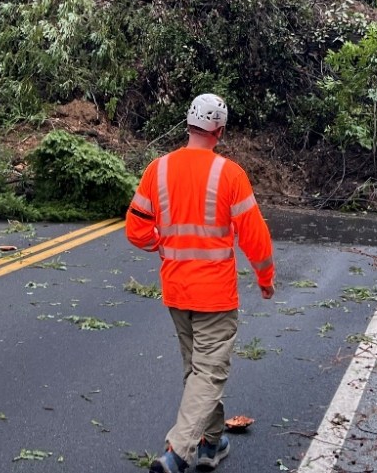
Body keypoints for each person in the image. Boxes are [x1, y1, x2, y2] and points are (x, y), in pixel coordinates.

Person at [126, 93, 276, 473]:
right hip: (215, 296)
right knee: (209, 372)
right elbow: (254, 235)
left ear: (188, 124)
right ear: (220, 131)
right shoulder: (229, 174)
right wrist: (265, 277)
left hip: (176, 291)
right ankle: (178, 452)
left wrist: (159, 242)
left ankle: (211, 444)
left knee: (198, 370)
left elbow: (136, 228)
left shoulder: (157, 169)